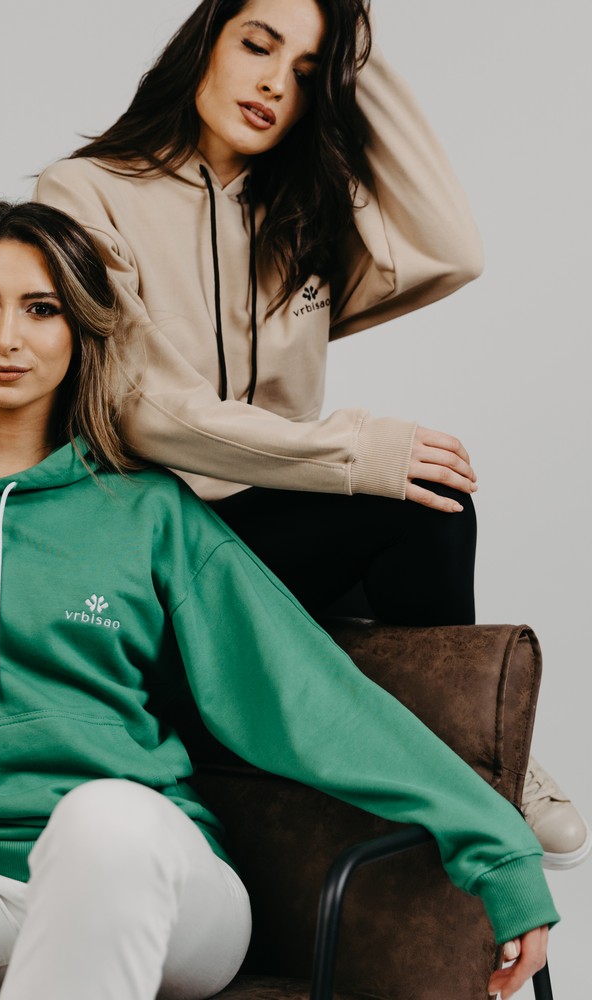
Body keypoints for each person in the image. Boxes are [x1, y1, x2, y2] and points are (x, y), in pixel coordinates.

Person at [0, 201, 556, 999]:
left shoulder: (147, 509)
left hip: (161, 878)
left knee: (101, 820)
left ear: (82, 330)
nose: (6, 337)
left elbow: (309, 696)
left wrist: (499, 848)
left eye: (42, 309)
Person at [33, 0, 588, 868]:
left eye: (304, 72)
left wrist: (354, 39)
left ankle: (478, 744)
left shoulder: (299, 217)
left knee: (431, 498)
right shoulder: (84, 192)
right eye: (257, 45)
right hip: (151, 559)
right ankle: (471, 748)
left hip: (264, 539)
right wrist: (353, 453)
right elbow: (144, 408)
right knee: (397, 487)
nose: (272, 84)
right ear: (204, 43)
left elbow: (452, 251)